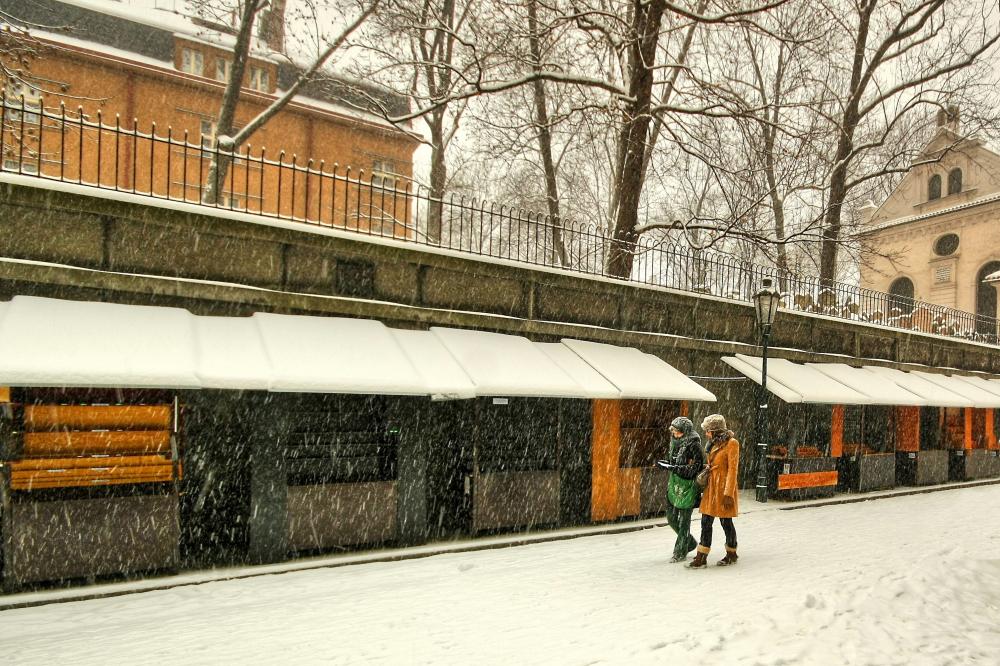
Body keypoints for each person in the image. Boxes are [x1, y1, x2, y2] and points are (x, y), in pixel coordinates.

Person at [687, 414, 740, 569]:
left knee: (726, 522)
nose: (706, 433)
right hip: (712, 488)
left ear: (715, 431)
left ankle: (731, 553)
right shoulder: (712, 444)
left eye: (708, 430)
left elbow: (733, 470)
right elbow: (715, 464)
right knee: (706, 522)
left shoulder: (732, 443)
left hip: (723, 489)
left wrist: (729, 493)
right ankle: (701, 556)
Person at [655, 416, 705, 563]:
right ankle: (689, 542)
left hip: (688, 487)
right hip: (674, 484)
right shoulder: (674, 442)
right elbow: (673, 461)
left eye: (678, 432)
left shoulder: (694, 445)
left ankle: (680, 551)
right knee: (671, 518)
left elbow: (695, 468)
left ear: (686, 431)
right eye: (673, 431)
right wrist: (665, 464)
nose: (675, 434)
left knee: (684, 522)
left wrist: (674, 468)